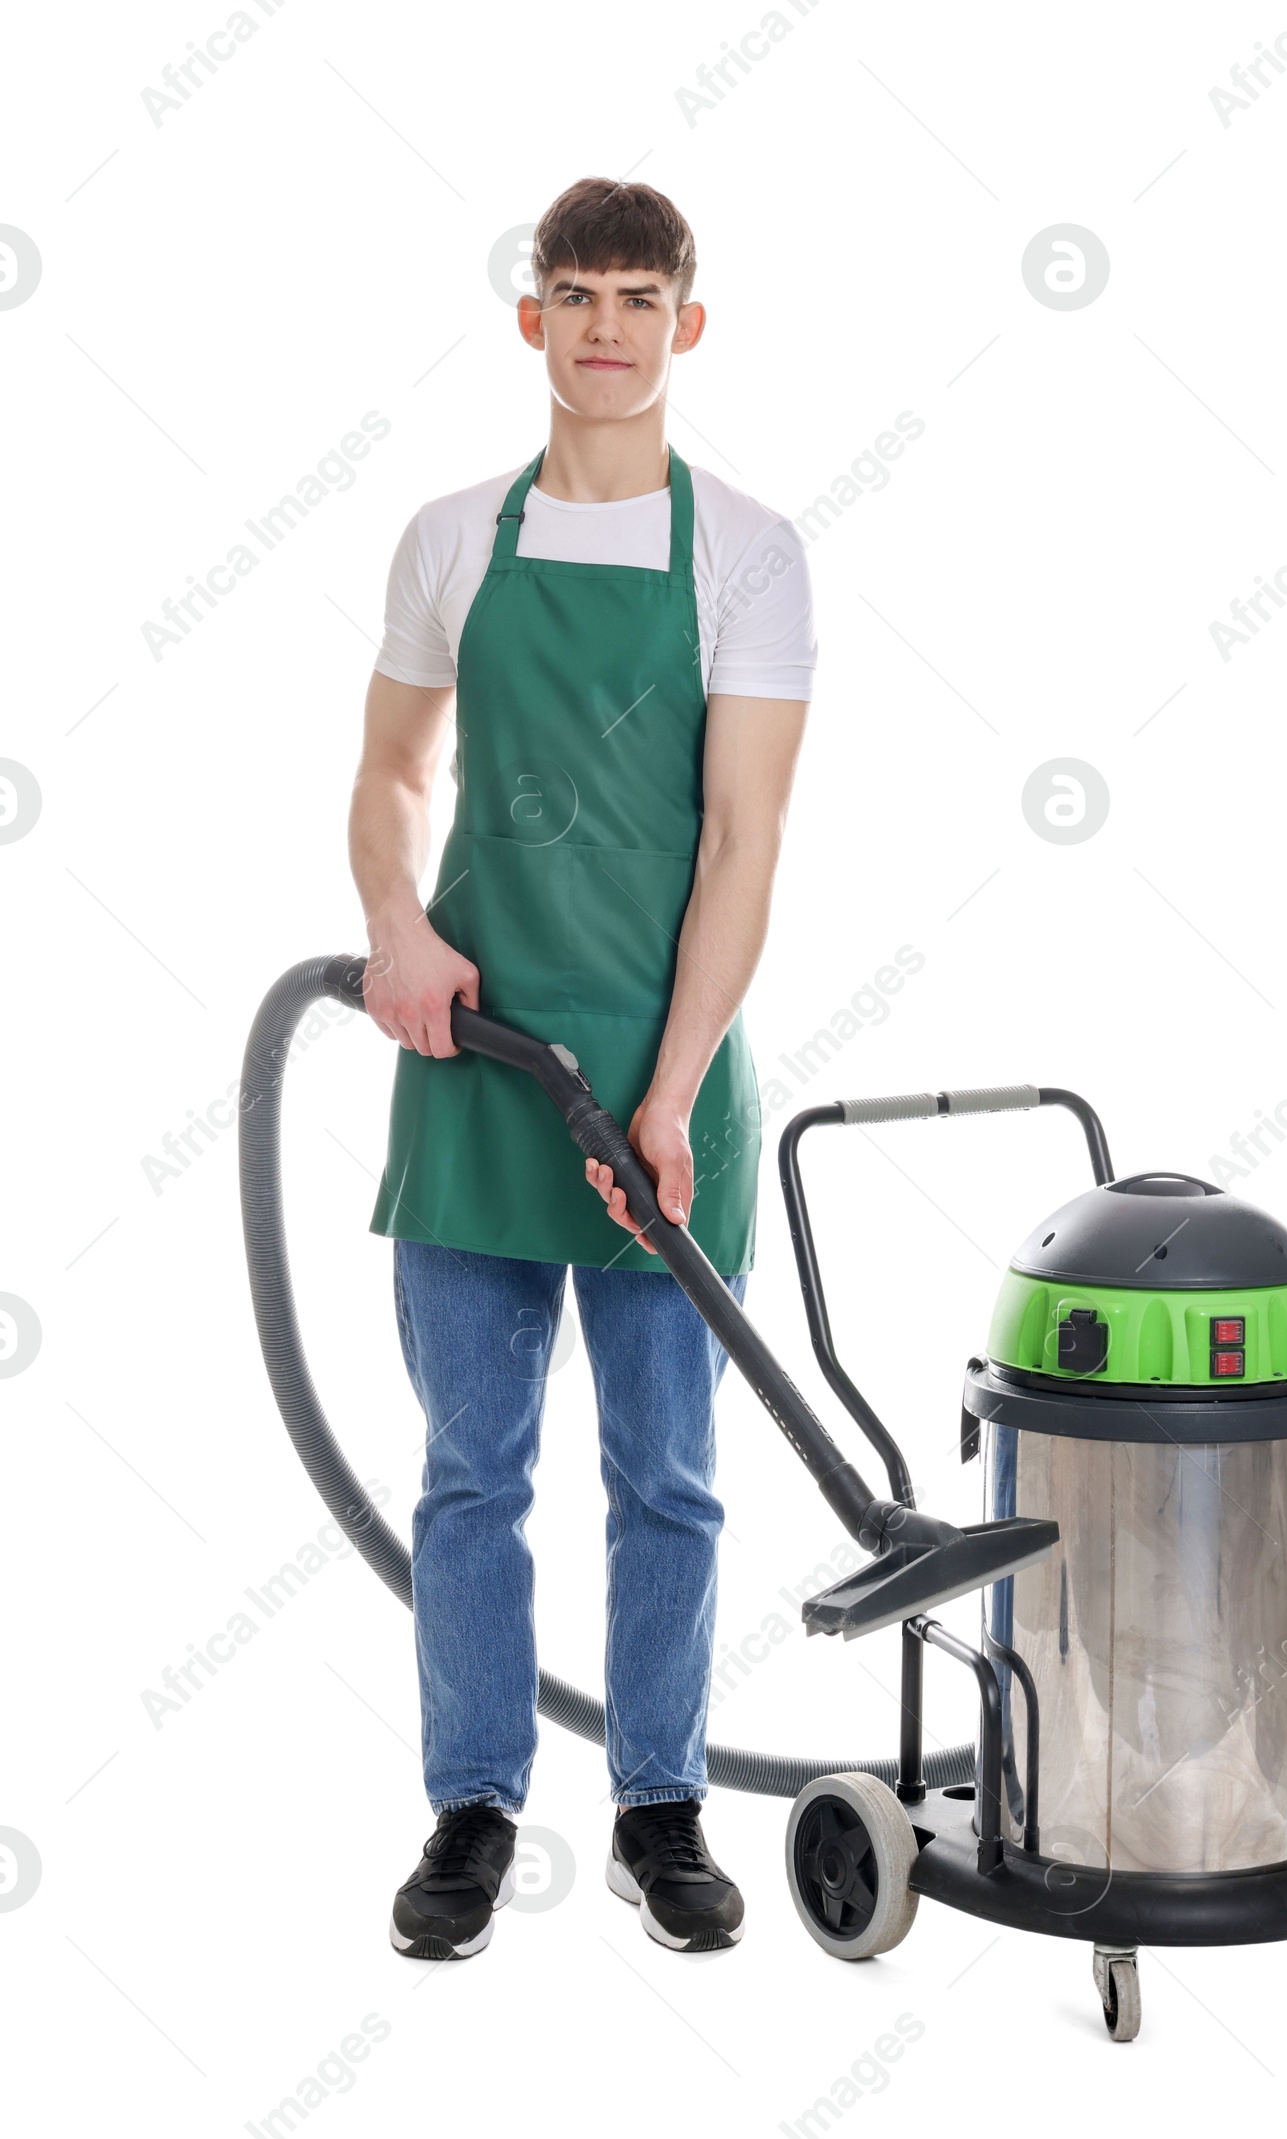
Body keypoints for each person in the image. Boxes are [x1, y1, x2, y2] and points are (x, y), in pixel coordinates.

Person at [347, 176, 813, 1959]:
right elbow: (392, 775)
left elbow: (742, 848)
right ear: (527, 316)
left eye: (638, 295)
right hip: (473, 1063)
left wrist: (675, 1087)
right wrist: (395, 920)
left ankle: (660, 1804)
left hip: (660, 1080)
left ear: (684, 326)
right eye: (574, 292)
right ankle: (473, 1805)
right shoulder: (452, 537)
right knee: (472, 1471)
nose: (604, 324)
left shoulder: (748, 552)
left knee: (671, 1477)